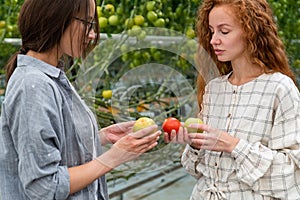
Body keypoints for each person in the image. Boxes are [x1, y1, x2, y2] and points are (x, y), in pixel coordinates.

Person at [0, 0, 161, 199]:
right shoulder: (33, 85)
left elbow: (56, 145)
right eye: (87, 23)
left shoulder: (53, 77)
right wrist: (115, 157)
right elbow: (44, 186)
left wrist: (100, 137)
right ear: (57, 18)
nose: (92, 34)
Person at [164, 0, 300, 199]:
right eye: (211, 31)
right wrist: (194, 144)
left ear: (251, 32)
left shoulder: (280, 88)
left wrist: (234, 145)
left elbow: (291, 174)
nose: (213, 40)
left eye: (224, 31)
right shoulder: (214, 89)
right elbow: (200, 172)